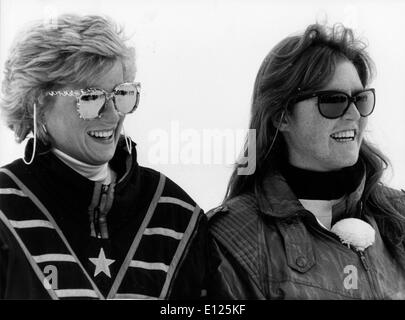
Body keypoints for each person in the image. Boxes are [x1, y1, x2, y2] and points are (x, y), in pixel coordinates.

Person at [0, 14, 208, 300]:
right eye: (90, 98)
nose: (113, 114)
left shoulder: (176, 214)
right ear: (38, 102)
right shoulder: (5, 209)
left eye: (121, 94)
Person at [207, 23, 405, 299]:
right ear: (282, 116)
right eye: (333, 101)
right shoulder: (234, 239)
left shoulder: (397, 216)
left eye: (360, 99)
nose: (354, 115)